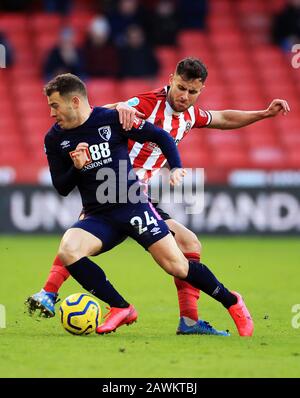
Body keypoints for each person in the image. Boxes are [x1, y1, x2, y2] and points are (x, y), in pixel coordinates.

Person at [27, 58, 289, 335]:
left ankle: (190, 320)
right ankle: (49, 292)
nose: (184, 96)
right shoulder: (146, 104)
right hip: (108, 185)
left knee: (187, 245)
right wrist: (120, 109)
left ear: (201, 90)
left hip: (136, 196)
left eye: (192, 92)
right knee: (78, 240)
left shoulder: (188, 116)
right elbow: (98, 114)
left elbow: (223, 118)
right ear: (170, 79)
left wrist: (262, 114)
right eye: (180, 88)